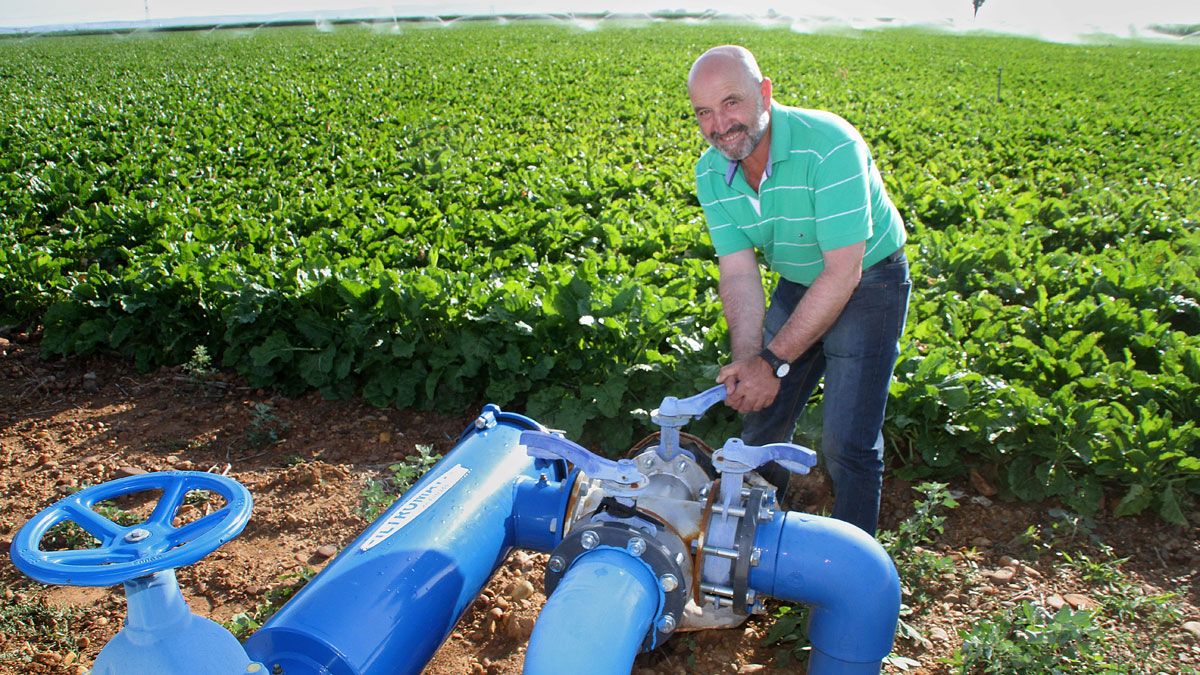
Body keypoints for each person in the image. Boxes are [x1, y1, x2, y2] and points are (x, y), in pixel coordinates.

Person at [688, 45, 911, 536]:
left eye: (731, 103)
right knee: (761, 418)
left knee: (847, 443)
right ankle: (750, 544)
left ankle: (852, 569)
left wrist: (773, 362)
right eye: (704, 112)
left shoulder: (829, 145)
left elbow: (842, 273)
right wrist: (751, 360)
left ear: (764, 93)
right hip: (802, 276)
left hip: (868, 277)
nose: (719, 124)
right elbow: (740, 273)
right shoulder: (711, 173)